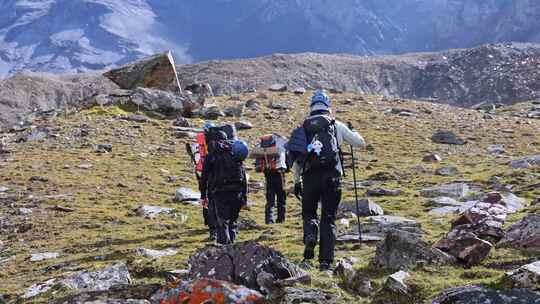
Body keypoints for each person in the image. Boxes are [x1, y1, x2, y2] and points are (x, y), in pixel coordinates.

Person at [289, 90, 366, 271]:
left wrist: (296, 182)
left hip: (309, 178)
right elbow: (360, 143)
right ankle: (325, 262)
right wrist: (353, 130)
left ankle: (309, 243)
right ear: (328, 106)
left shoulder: (302, 129)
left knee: (309, 213)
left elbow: (297, 160)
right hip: (332, 177)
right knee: (328, 218)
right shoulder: (335, 125)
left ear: (311, 107)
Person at [199, 135, 249, 245]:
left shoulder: (211, 156)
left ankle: (224, 248)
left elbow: (204, 178)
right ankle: (232, 246)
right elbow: (244, 178)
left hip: (220, 193)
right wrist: (245, 197)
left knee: (223, 222)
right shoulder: (236, 155)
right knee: (233, 222)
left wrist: (203, 195)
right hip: (237, 194)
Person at [254, 134, 288, 224]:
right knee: (281, 198)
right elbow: (286, 162)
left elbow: (257, 167)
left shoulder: (261, 149)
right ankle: (281, 219)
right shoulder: (279, 147)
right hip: (280, 175)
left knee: (270, 200)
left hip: (268, 176)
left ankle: (269, 220)